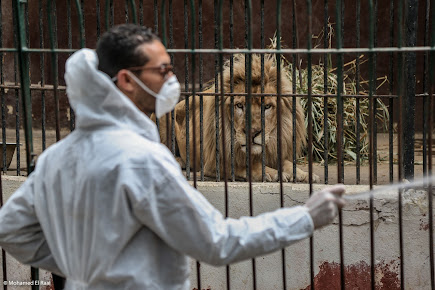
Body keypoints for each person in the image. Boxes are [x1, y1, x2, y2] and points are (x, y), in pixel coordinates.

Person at [0, 24, 345, 289]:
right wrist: (304, 217)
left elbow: (11, 229)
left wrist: (83, 268)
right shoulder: (143, 160)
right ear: (127, 81)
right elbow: (216, 242)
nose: (172, 79)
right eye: (162, 71)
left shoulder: (57, 157)